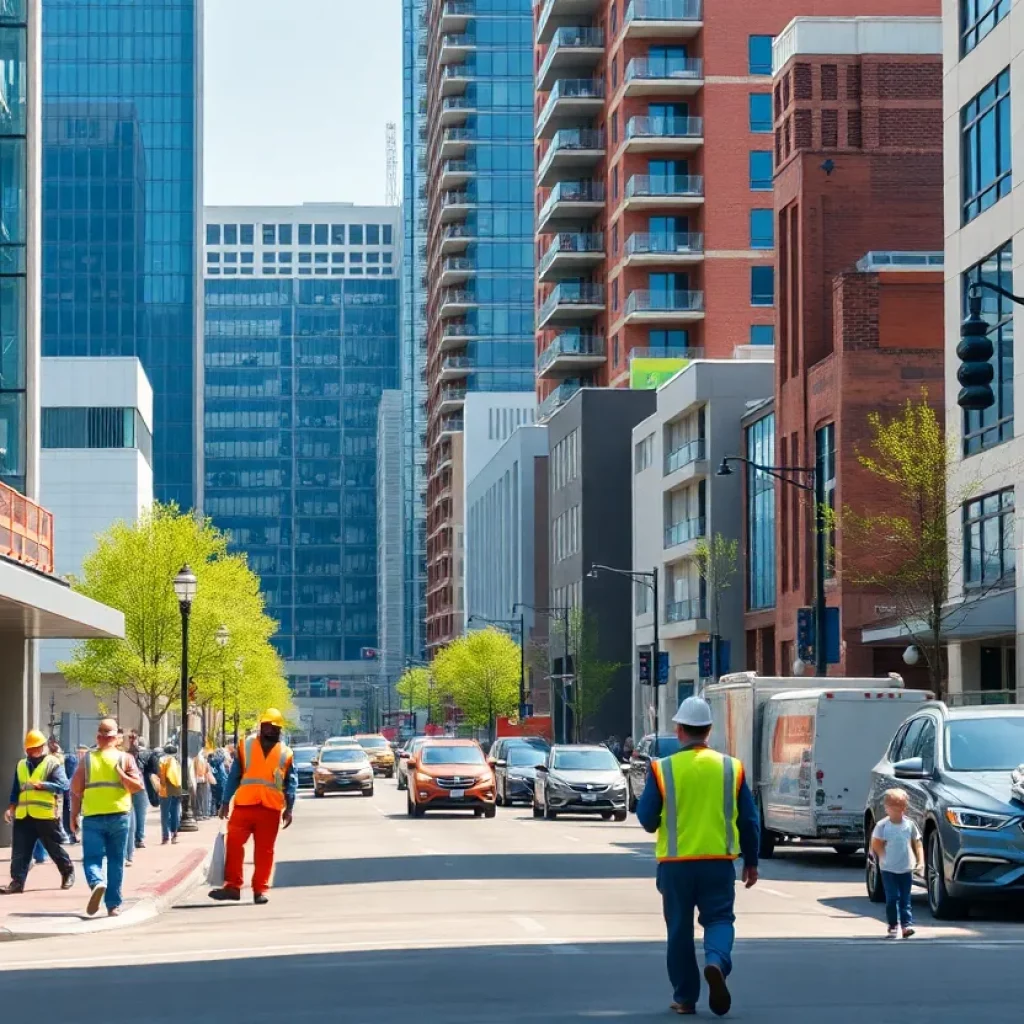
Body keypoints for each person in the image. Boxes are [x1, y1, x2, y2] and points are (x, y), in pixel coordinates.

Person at [636, 696, 760, 1018]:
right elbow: (749, 820)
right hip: (718, 864)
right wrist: (752, 861)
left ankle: (685, 998)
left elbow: (648, 819)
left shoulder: (662, 769)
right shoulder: (731, 768)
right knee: (719, 920)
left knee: (679, 930)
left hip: (676, 868)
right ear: (708, 730)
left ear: (679, 730)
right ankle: (716, 961)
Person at [209, 708, 296, 906]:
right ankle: (232, 886)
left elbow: (291, 782)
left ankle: (260, 890)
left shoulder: (286, 753)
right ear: (261, 726)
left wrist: (289, 808)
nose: (273, 730)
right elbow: (234, 776)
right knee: (233, 844)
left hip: (270, 808)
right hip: (244, 805)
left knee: (265, 851)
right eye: (269, 726)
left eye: (276, 728)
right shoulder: (245, 746)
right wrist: (224, 802)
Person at [70, 718, 143, 917]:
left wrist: (73, 815)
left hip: (93, 816)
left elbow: (75, 789)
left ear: (98, 737)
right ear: (116, 738)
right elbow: (138, 787)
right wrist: (123, 776)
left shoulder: (87, 760)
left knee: (92, 859)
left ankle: (96, 882)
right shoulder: (126, 759)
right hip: (119, 815)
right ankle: (113, 905)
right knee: (116, 860)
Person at [0, 730, 75, 895]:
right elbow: (15, 790)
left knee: (53, 848)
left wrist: (43, 785)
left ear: (43, 747)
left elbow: (63, 786)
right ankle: (17, 882)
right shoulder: (21, 765)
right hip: (23, 815)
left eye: (36, 748)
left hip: (44, 816)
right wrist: (11, 808)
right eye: (30, 749)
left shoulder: (52, 763)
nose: (34, 751)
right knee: (20, 851)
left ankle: (67, 871)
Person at [870, 788, 923, 939]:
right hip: (888, 869)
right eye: (893, 808)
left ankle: (906, 925)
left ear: (905, 808)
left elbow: (917, 843)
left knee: (905, 899)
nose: (897, 811)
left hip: (906, 868)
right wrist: (881, 856)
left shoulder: (909, 825)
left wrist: (921, 861)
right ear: (886, 808)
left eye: (900, 808)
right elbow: (876, 843)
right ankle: (893, 925)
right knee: (892, 898)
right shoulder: (882, 826)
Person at [157, 744, 183, 844]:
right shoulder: (177, 761)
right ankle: (174, 834)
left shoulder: (162, 760)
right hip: (176, 789)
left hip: (165, 790)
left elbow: (161, 776)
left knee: (164, 814)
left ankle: (165, 837)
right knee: (175, 812)